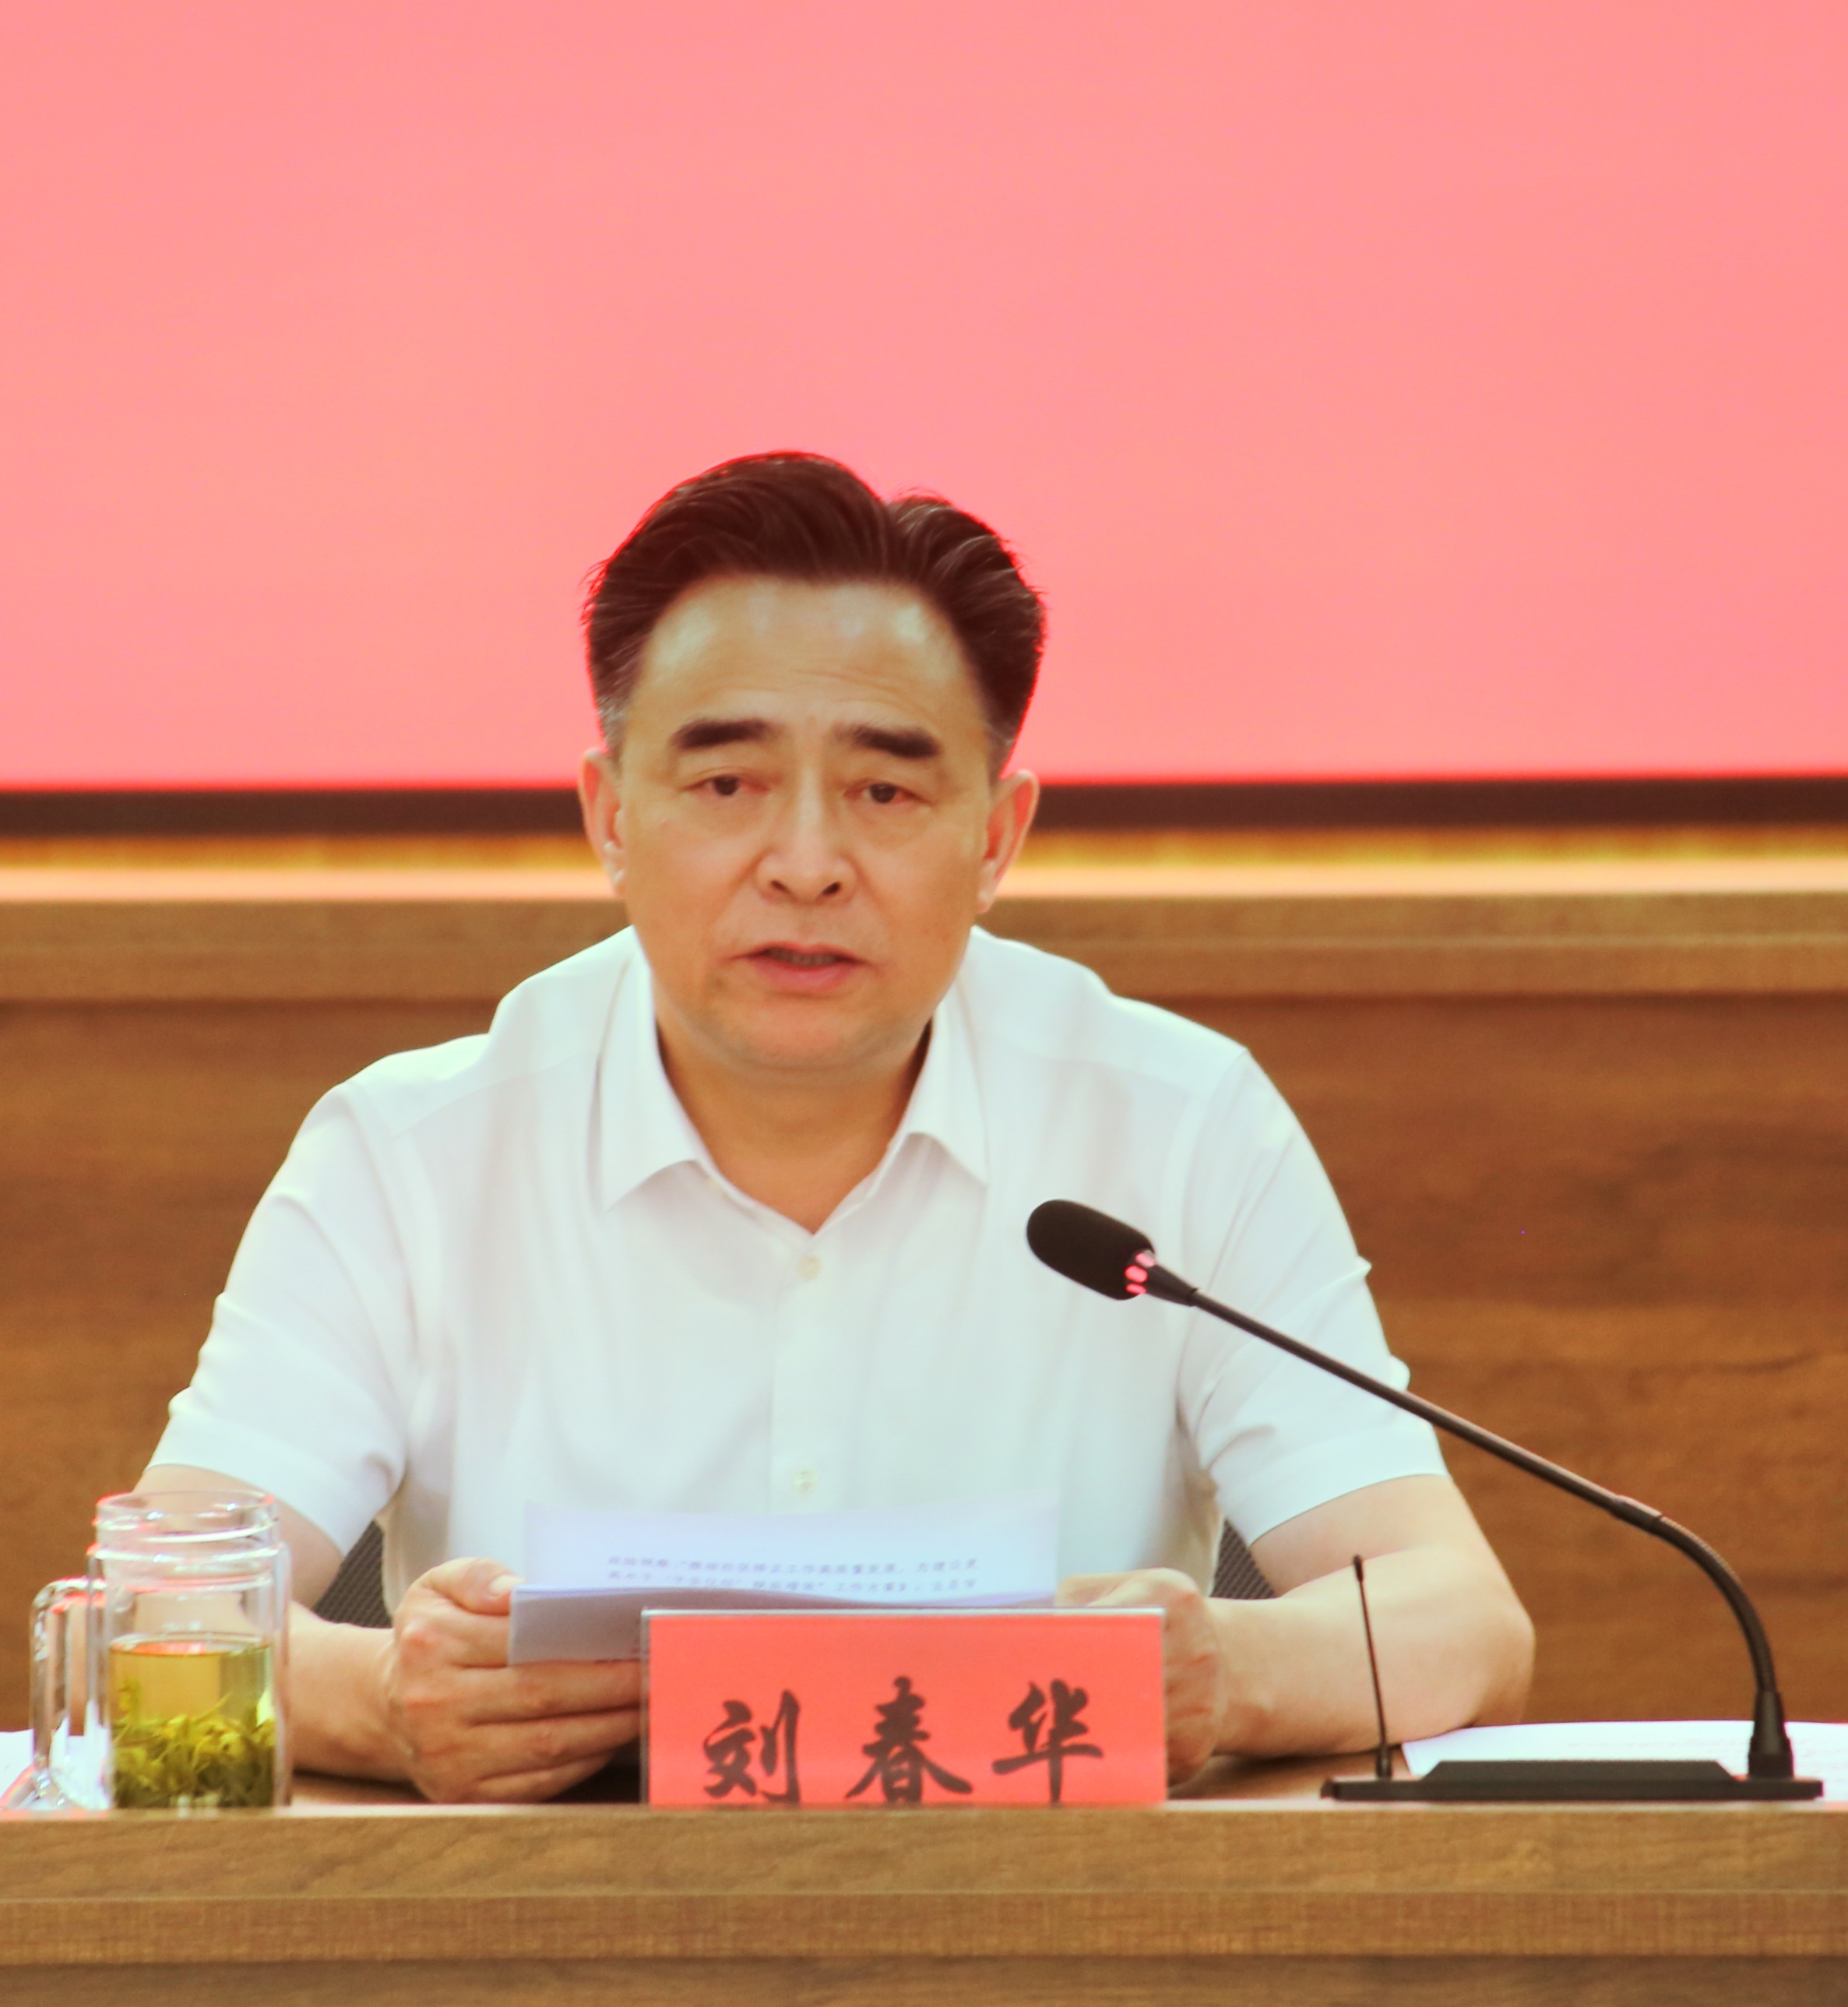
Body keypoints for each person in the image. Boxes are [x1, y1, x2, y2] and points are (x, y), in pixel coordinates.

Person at [142, 452, 1533, 1801]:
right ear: (610, 816)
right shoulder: (410, 1156)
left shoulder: (1177, 1125)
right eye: (726, 784)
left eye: (884, 791)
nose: (805, 864)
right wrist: (382, 1701)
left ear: (993, 838)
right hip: (560, 1924)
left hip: (1043, 1923)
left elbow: (1459, 1620)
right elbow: (152, 1614)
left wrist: (1223, 1674)